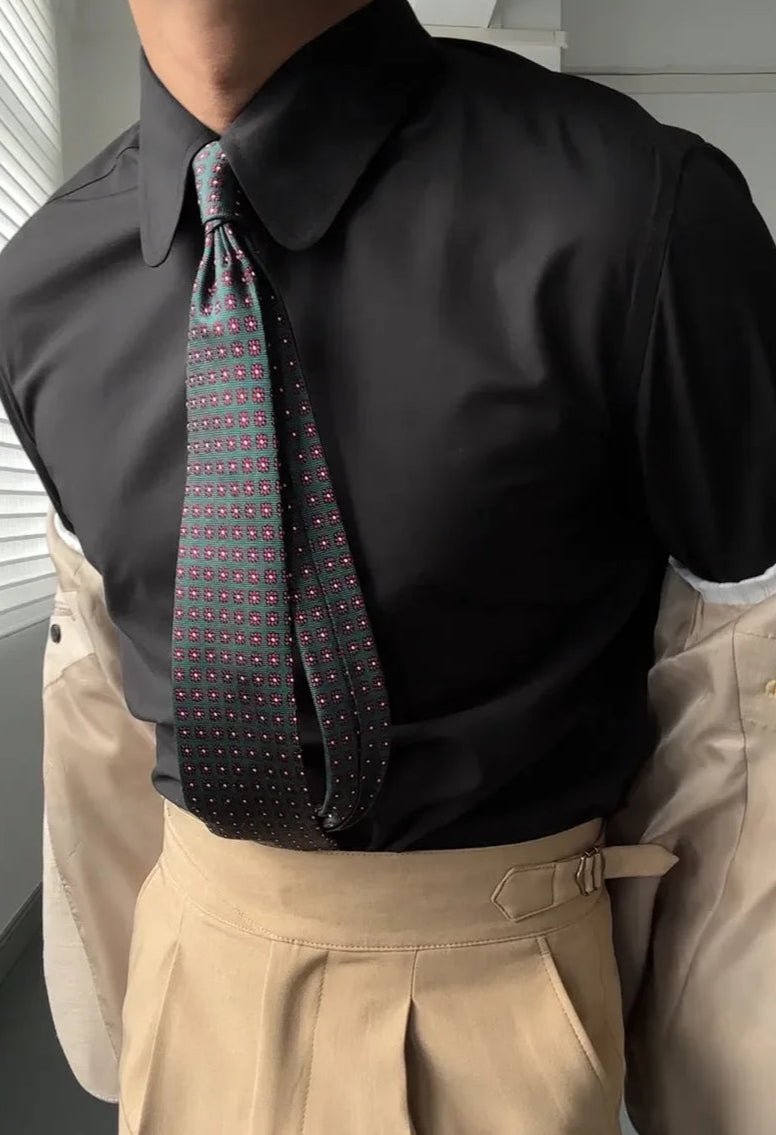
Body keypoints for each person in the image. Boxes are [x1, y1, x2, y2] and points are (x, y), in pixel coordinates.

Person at [1, 0, 775, 1131]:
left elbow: (741, 718)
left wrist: (722, 1093)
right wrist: (119, 1019)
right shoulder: (40, 287)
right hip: (188, 988)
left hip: (502, 1020)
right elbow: (96, 694)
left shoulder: (639, 216)